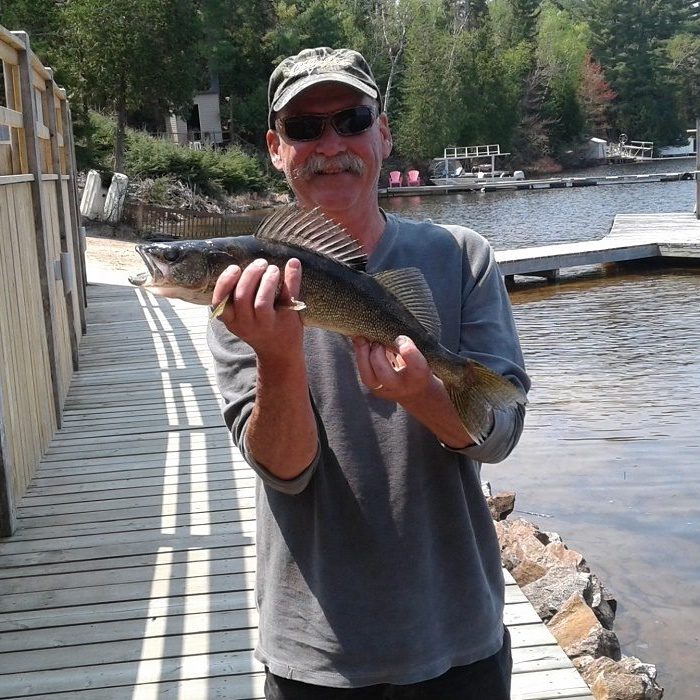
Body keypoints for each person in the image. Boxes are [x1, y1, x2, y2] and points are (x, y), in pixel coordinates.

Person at [207, 47, 530, 699]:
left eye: (351, 119)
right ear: (276, 147)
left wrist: (427, 396)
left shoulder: (460, 257)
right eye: (304, 128)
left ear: (382, 132)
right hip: (318, 656)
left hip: (458, 639)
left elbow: (498, 435)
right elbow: (284, 470)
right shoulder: (246, 290)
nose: (331, 145)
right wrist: (277, 356)